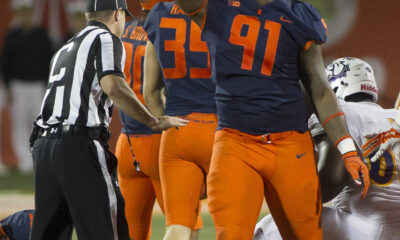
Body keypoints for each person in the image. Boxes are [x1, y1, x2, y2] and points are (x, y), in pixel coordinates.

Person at [173, 0, 370, 239]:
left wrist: (347, 148)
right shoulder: (219, 6)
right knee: (231, 234)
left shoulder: (300, 14)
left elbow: (319, 88)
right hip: (235, 144)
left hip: (289, 145)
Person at [29, 0, 188, 239]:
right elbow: (113, 85)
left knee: (48, 234)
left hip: (44, 148)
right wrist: (153, 121)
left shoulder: (65, 47)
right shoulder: (105, 38)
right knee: (106, 232)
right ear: (117, 13)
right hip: (79, 145)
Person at [254, 57, 399, 240]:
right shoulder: (395, 117)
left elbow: (332, 179)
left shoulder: (340, 112)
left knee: (270, 229)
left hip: (366, 227)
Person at [115, 1, 202, 239]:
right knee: (186, 226)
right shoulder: (170, 30)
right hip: (161, 138)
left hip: (127, 142)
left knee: (132, 232)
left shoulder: (125, 31)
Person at [143, 1, 217, 240]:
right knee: (234, 226)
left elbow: (150, 92)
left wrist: (165, 123)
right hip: (223, 130)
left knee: (178, 226)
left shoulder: (158, 13)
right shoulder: (226, 8)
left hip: (177, 130)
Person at [1, 0, 53, 173]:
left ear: (32, 14)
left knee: (39, 124)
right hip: (17, 86)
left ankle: (39, 159)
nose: (25, 16)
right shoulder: (12, 35)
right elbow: (6, 64)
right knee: (19, 125)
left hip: (38, 86)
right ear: (17, 15)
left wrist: (48, 86)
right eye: (21, 13)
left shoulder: (42, 35)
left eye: (28, 12)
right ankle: (24, 162)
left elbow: (50, 63)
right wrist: (7, 87)